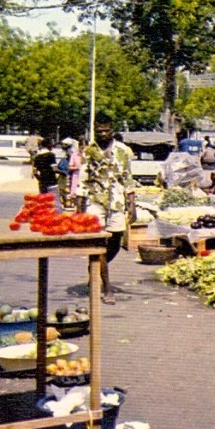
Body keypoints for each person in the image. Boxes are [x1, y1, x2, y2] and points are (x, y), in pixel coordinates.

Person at [78, 113, 134, 304]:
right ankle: (107, 288)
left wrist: (131, 205)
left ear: (112, 129)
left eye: (106, 130)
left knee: (115, 244)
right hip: (94, 202)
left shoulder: (123, 151)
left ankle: (94, 268)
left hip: (117, 201)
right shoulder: (88, 152)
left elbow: (128, 179)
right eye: (99, 131)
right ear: (94, 130)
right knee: (100, 245)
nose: (102, 134)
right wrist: (79, 208)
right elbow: (82, 181)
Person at [31, 137, 60, 207]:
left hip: (42, 183)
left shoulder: (37, 157)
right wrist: (63, 174)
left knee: (43, 202)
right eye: (52, 144)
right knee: (54, 202)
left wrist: (40, 179)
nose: (52, 146)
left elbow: (34, 172)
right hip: (52, 181)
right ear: (48, 145)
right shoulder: (51, 155)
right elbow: (55, 169)